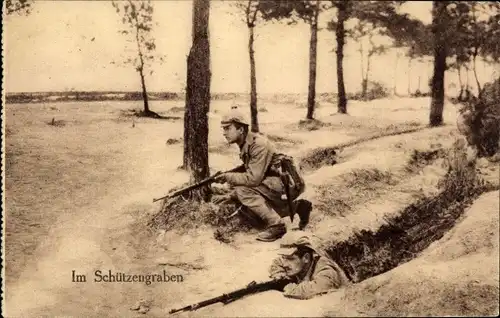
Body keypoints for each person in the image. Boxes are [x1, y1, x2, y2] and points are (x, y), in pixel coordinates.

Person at [212, 106, 312, 242]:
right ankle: (298, 207)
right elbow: (249, 169)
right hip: (276, 182)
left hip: (288, 183)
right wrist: (229, 185)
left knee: (243, 191)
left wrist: (228, 178)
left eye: (227, 128)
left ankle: (278, 226)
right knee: (249, 207)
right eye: (223, 128)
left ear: (241, 130)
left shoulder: (258, 145)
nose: (224, 133)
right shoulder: (246, 143)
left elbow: (253, 179)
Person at [268, 231, 350, 299]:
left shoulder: (326, 270)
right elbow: (277, 263)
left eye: (290, 259)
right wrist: (279, 275)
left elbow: (312, 290)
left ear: (306, 258)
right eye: (284, 258)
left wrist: (287, 286)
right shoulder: (296, 263)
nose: (285, 264)